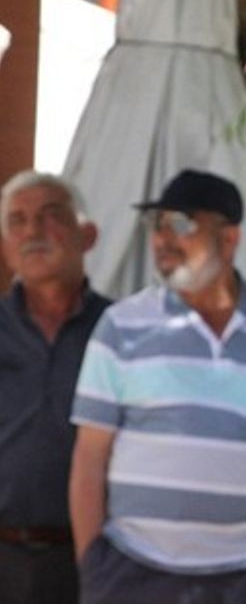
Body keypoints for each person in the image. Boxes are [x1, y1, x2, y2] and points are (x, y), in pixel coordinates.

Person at [68, 169, 246, 604]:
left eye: (180, 224)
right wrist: (93, 567)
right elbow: (89, 457)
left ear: (229, 238)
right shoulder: (121, 326)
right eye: (157, 225)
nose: (163, 239)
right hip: (133, 573)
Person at [0, 172, 110, 604]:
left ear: (88, 235)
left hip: (91, 560)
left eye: (51, 216)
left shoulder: (121, 333)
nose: (32, 232)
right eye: (17, 221)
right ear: (6, 246)